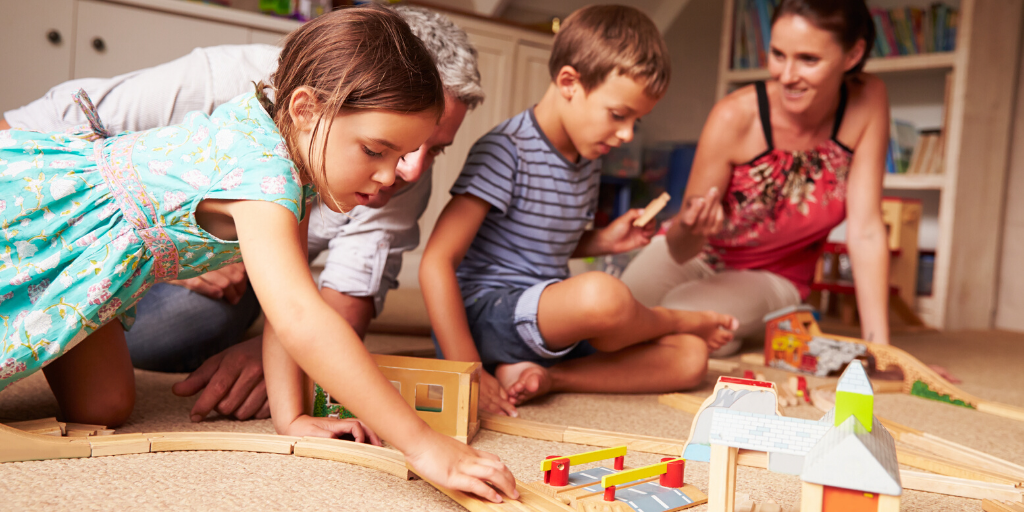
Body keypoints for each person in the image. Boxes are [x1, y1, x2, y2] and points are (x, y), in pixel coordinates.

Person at [0, 7, 516, 502]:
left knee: (103, 406)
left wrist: (290, 419)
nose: (390, 177)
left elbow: (285, 306)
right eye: (375, 151)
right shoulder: (265, 174)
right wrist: (424, 446)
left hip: (98, 259)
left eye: (400, 156)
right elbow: (300, 318)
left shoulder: (295, 155)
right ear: (306, 110)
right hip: (41, 218)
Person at [419, 5, 739, 418]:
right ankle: (676, 317)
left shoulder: (587, 159)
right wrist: (468, 371)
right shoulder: (506, 150)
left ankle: (548, 377)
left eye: (635, 122)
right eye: (619, 115)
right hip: (488, 315)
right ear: (569, 82)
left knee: (690, 358)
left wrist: (604, 241)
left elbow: (539, 245)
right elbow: (436, 261)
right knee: (603, 295)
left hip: (544, 324)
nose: (625, 135)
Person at [620, 0, 891, 357]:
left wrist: (882, 350)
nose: (787, 75)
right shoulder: (734, 115)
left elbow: (867, 230)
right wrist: (693, 226)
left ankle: (727, 330)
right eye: (778, 54)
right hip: (699, 254)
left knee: (680, 316)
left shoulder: (867, 100)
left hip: (775, 274)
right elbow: (681, 247)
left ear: (852, 54)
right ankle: (720, 337)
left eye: (808, 60)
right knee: (620, 316)